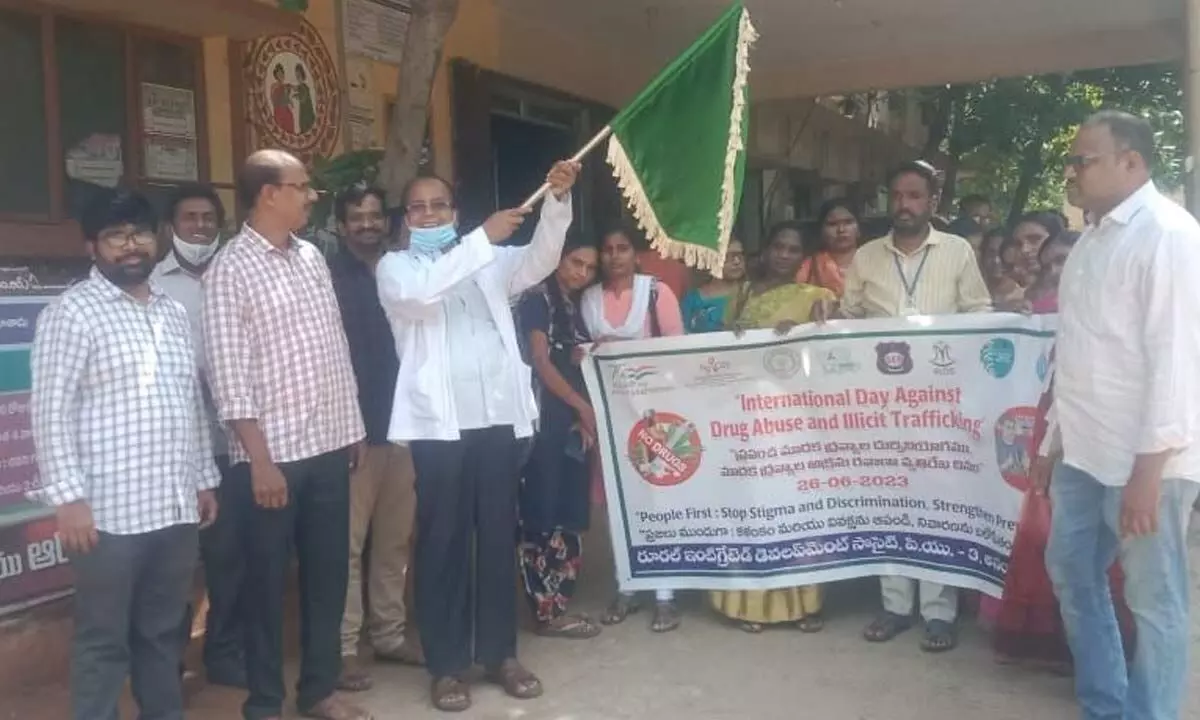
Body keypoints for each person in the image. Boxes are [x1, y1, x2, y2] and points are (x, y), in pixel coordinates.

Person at [376, 161, 579, 713]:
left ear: (453, 211)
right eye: (418, 207)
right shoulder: (397, 268)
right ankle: (445, 666)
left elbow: (540, 260)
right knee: (441, 543)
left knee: (494, 537)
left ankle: (500, 655)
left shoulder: (490, 261)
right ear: (406, 220)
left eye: (438, 206)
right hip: (439, 428)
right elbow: (423, 297)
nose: (429, 215)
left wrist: (557, 202)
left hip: (497, 423)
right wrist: (480, 239)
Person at [1033, 110, 1200, 720]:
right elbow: (1077, 349)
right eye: (1074, 160)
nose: (1074, 170)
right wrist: (1054, 440)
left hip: (1147, 459)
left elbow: (1178, 363)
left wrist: (1149, 475)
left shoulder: (1170, 236)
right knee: (1072, 574)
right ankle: (1106, 705)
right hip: (1083, 450)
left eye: (1086, 159)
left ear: (1132, 161)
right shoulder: (1093, 240)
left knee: (1155, 601)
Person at [30, 189, 220, 720]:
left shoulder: (172, 313)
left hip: (173, 509)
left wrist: (203, 478)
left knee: (162, 637)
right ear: (93, 247)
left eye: (139, 233)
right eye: (116, 236)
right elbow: (49, 413)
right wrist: (69, 500)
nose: (131, 245)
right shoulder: (71, 314)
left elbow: (190, 401)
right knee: (104, 642)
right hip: (105, 518)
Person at [204, 150, 369, 720]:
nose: (311, 196)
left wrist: (350, 428)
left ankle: (319, 691)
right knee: (265, 584)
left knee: (328, 577)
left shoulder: (312, 259)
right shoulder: (230, 270)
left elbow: (333, 349)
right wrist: (259, 462)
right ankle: (266, 701)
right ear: (268, 194)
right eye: (301, 187)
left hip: (327, 447)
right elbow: (229, 376)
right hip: (270, 460)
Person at [842, 160, 991, 653]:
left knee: (938, 503)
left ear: (932, 202)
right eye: (897, 195)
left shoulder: (957, 251)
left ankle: (939, 613)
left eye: (914, 196)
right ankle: (893, 606)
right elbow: (848, 321)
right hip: (880, 404)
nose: (904, 204)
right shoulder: (865, 256)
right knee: (888, 500)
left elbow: (979, 313)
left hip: (940, 402)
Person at [710, 222, 834, 633]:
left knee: (793, 508)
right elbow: (723, 348)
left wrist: (806, 332)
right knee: (751, 507)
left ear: (803, 257)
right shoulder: (742, 293)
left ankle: (803, 604)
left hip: (793, 421)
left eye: (792, 249)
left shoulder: (816, 297)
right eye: (777, 246)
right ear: (765, 251)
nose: (783, 254)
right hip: (744, 416)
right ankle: (748, 606)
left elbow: (830, 350)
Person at [151, 183, 247, 689]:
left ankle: (225, 653)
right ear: (171, 227)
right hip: (172, 449)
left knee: (229, 557)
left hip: (232, 443)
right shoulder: (151, 284)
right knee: (173, 565)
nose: (200, 227)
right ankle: (167, 665)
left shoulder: (237, 275)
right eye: (190, 218)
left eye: (209, 218)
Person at [327, 186, 420, 693]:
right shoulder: (327, 278)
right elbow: (326, 359)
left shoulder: (402, 271)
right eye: (355, 217)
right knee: (347, 546)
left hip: (405, 427)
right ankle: (341, 649)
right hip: (355, 433)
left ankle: (388, 634)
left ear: (385, 223)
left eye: (373, 216)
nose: (366, 224)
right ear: (341, 226)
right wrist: (344, 426)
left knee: (395, 540)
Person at [584, 227, 685, 633]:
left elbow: (679, 352)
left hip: (655, 417)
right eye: (606, 249)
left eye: (622, 248)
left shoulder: (656, 294)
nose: (614, 256)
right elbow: (577, 349)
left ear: (635, 254)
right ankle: (627, 585)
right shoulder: (589, 300)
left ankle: (666, 595)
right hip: (609, 416)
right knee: (617, 505)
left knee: (659, 500)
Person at [516, 238, 601, 639]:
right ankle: (545, 611)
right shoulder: (538, 300)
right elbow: (540, 360)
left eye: (589, 267)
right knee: (542, 514)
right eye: (575, 262)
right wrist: (582, 408)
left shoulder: (571, 304)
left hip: (566, 422)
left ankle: (558, 605)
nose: (581, 273)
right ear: (556, 258)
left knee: (566, 512)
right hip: (542, 423)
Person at [680, 237, 746, 332]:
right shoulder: (692, 299)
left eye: (740, 256)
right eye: (728, 256)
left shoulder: (749, 294)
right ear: (711, 259)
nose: (737, 262)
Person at [796, 199, 860, 297]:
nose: (841, 230)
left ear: (859, 228)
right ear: (821, 231)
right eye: (832, 224)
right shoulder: (809, 267)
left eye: (848, 222)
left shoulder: (875, 262)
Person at [1024, 231, 1079, 314]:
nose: (1053, 271)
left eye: (1061, 260)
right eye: (1046, 267)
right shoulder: (1038, 304)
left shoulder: (1102, 298)